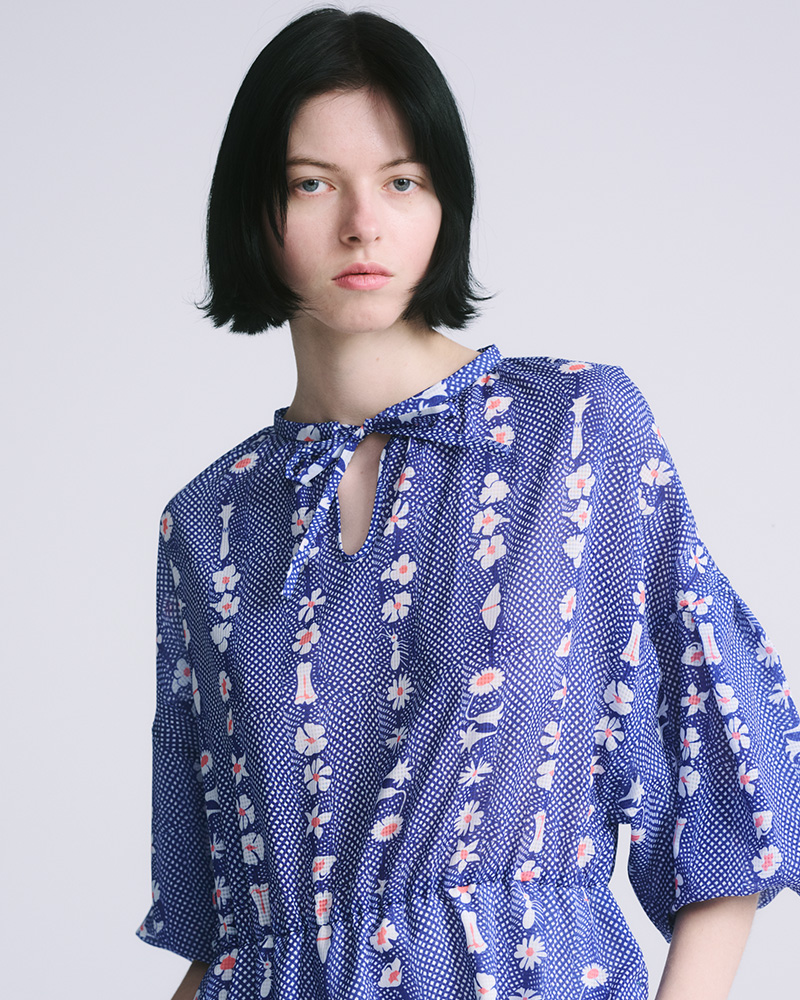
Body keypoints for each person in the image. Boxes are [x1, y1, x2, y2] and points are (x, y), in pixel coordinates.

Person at [135, 8, 800, 999]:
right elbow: (228, 926)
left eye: (401, 181)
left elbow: (722, 779)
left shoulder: (576, 433)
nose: (362, 224)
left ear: (445, 201)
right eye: (312, 183)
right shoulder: (210, 521)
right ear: (250, 210)